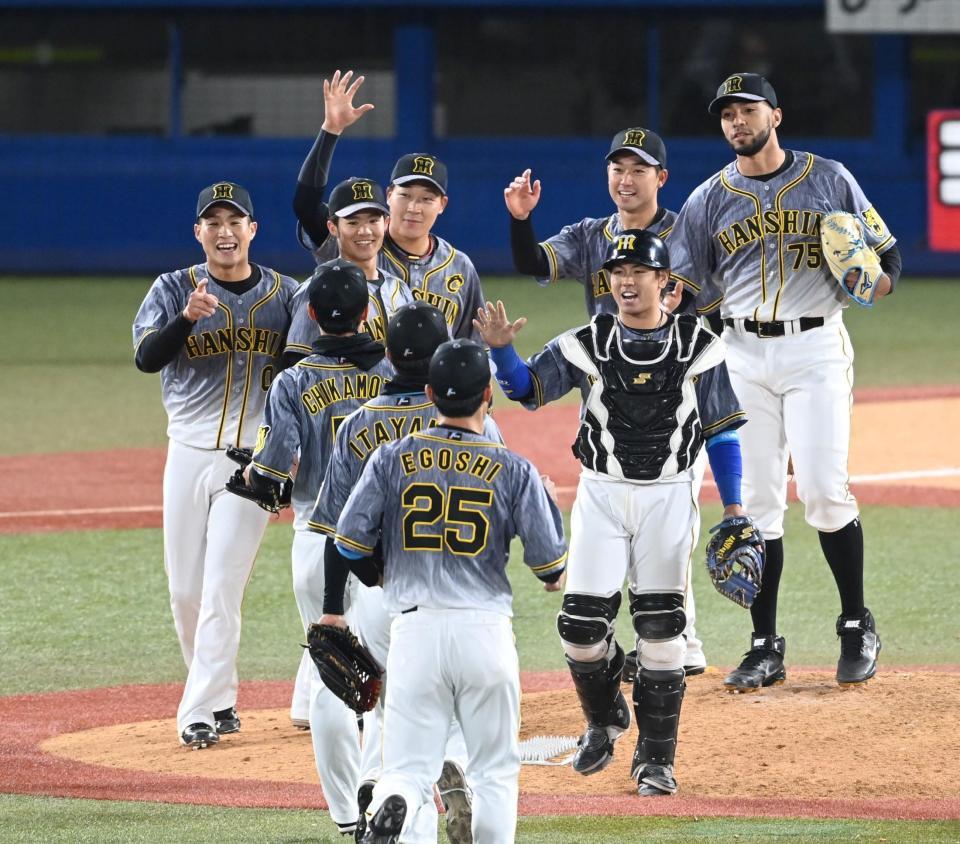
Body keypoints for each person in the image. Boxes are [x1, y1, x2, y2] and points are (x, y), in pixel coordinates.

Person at [475, 230, 748, 797]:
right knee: (580, 628)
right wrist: (501, 350)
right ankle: (604, 718)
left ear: (665, 284)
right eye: (617, 272)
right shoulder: (586, 342)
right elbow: (527, 389)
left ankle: (655, 759)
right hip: (601, 492)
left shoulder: (701, 345)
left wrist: (736, 508)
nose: (626, 281)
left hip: (670, 495)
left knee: (662, 627)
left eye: (638, 271)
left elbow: (722, 433)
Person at [668, 73, 899, 691]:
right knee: (760, 502)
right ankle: (765, 645)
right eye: (726, 114)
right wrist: (674, 307)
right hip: (740, 354)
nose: (736, 121)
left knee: (824, 491)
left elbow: (887, 260)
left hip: (816, 348)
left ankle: (856, 623)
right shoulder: (708, 198)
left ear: (776, 114)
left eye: (747, 110)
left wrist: (869, 278)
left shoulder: (829, 178)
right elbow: (687, 289)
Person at [330, 339, 567, 843]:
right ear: (488, 395)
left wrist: (382, 576)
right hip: (485, 634)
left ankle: (395, 797)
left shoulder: (391, 457)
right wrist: (550, 507)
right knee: (495, 772)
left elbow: (348, 544)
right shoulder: (513, 467)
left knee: (407, 765)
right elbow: (551, 569)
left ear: (431, 393)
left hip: (414, 629)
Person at [504, 129, 708, 678]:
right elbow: (533, 264)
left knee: (673, 511)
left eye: (638, 169)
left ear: (660, 178)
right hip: (606, 384)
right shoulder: (592, 235)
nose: (626, 178)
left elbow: (683, 305)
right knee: (613, 508)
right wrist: (521, 219)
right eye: (617, 168)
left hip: (674, 390)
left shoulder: (684, 233)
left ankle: (679, 635)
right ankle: (641, 636)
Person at [311, 302, 502, 843]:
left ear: (388, 354)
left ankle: (379, 788)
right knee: (453, 706)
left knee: (385, 707)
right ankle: (446, 777)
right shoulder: (480, 426)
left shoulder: (359, 424)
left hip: (378, 592)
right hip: (458, 593)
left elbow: (339, 532)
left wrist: (332, 610)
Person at [132, 182, 299, 748]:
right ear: (198, 232)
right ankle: (219, 693)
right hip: (187, 452)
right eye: (214, 222)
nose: (225, 231)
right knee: (185, 591)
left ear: (253, 229)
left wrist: (289, 456)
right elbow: (145, 358)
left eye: (236, 221)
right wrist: (184, 320)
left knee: (222, 585)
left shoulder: (285, 294)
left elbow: (310, 367)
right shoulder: (172, 288)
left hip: (251, 462)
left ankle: (198, 711)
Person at [244, 260, 394, 835]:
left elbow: (272, 469)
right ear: (367, 312)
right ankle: (384, 787)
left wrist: (256, 476)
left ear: (310, 315)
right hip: (385, 547)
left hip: (316, 536)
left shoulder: (293, 380)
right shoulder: (393, 373)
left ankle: (344, 817)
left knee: (333, 672)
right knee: (389, 672)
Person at [283, 176, 412, 725]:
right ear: (335, 229)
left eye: (373, 218)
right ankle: (344, 710)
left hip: (364, 488)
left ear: (386, 223)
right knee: (344, 610)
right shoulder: (317, 290)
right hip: (328, 490)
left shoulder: (400, 291)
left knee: (342, 609)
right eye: (353, 219)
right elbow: (298, 368)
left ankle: (325, 707)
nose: (365, 228)